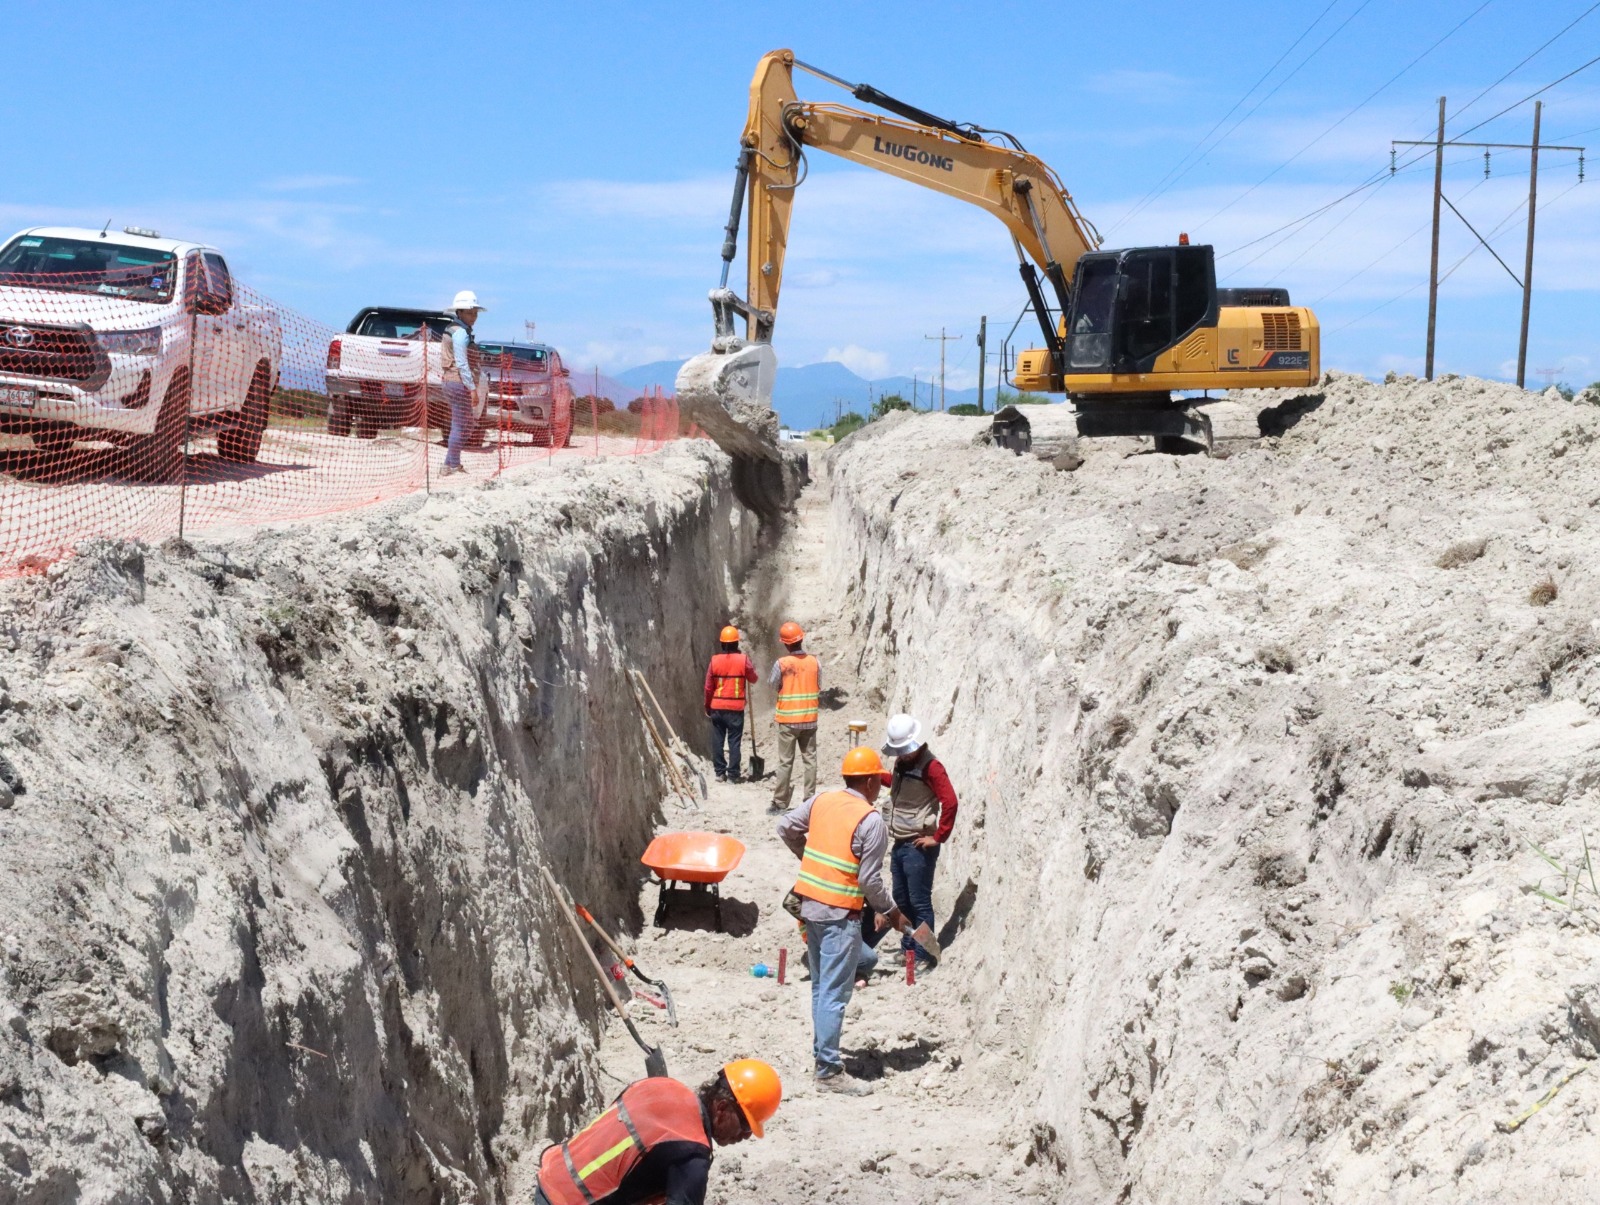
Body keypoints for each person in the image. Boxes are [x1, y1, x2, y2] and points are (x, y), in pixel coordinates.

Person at [777, 747, 909, 1095]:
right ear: (868, 782)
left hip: (810, 908)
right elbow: (870, 880)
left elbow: (785, 826)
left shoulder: (822, 801)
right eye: (877, 782)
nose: (878, 788)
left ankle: (823, 1054)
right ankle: (829, 1070)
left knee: (822, 988)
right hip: (839, 914)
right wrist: (893, 912)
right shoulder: (871, 821)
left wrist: (807, 856)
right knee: (835, 993)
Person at [534, 1059, 781, 1205]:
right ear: (722, 1108)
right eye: (746, 1124)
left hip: (552, 1174)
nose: (746, 1135)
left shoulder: (662, 1086)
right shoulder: (691, 1154)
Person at [862, 713, 958, 972]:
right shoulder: (903, 765)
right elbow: (900, 788)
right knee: (902, 899)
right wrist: (876, 775)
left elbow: (950, 801)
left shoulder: (932, 767)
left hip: (919, 846)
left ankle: (924, 955)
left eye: (904, 751)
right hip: (901, 844)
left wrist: (938, 837)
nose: (901, 755)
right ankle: (908, 951)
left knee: (919, 902)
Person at [768, 621, 820, 812]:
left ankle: (780, 802)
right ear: (801, 639)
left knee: (785, 761)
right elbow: (819, 685)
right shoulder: (815, 662)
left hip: (788, 721)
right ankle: (809, 801)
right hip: (809, 719)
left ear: (785, 643)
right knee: (810, 761)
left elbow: (773, 685)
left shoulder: (782, 663)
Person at [437, 289, 483, 477]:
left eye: (475, 313)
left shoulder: (452, 330)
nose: (473, 317)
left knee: (465, 424)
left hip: (451, 381)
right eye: (470, 313)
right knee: (462, 424)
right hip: (458, 382)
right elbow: (462, 363)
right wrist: (472, 388)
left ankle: (450, 463)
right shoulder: (460, 333)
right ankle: (453, 464)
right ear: (460, 313)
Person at [704, 625, 757, 782]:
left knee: (718, 740)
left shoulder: (714, 661)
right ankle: (733, 774)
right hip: (735, 709)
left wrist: (707, 706)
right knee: (734, 741)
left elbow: (708, 687)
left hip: (717, 708)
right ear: (736, 643)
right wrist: (747, 667)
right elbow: (754, 678)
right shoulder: (743, 660)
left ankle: (720, 772)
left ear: (722, 644)